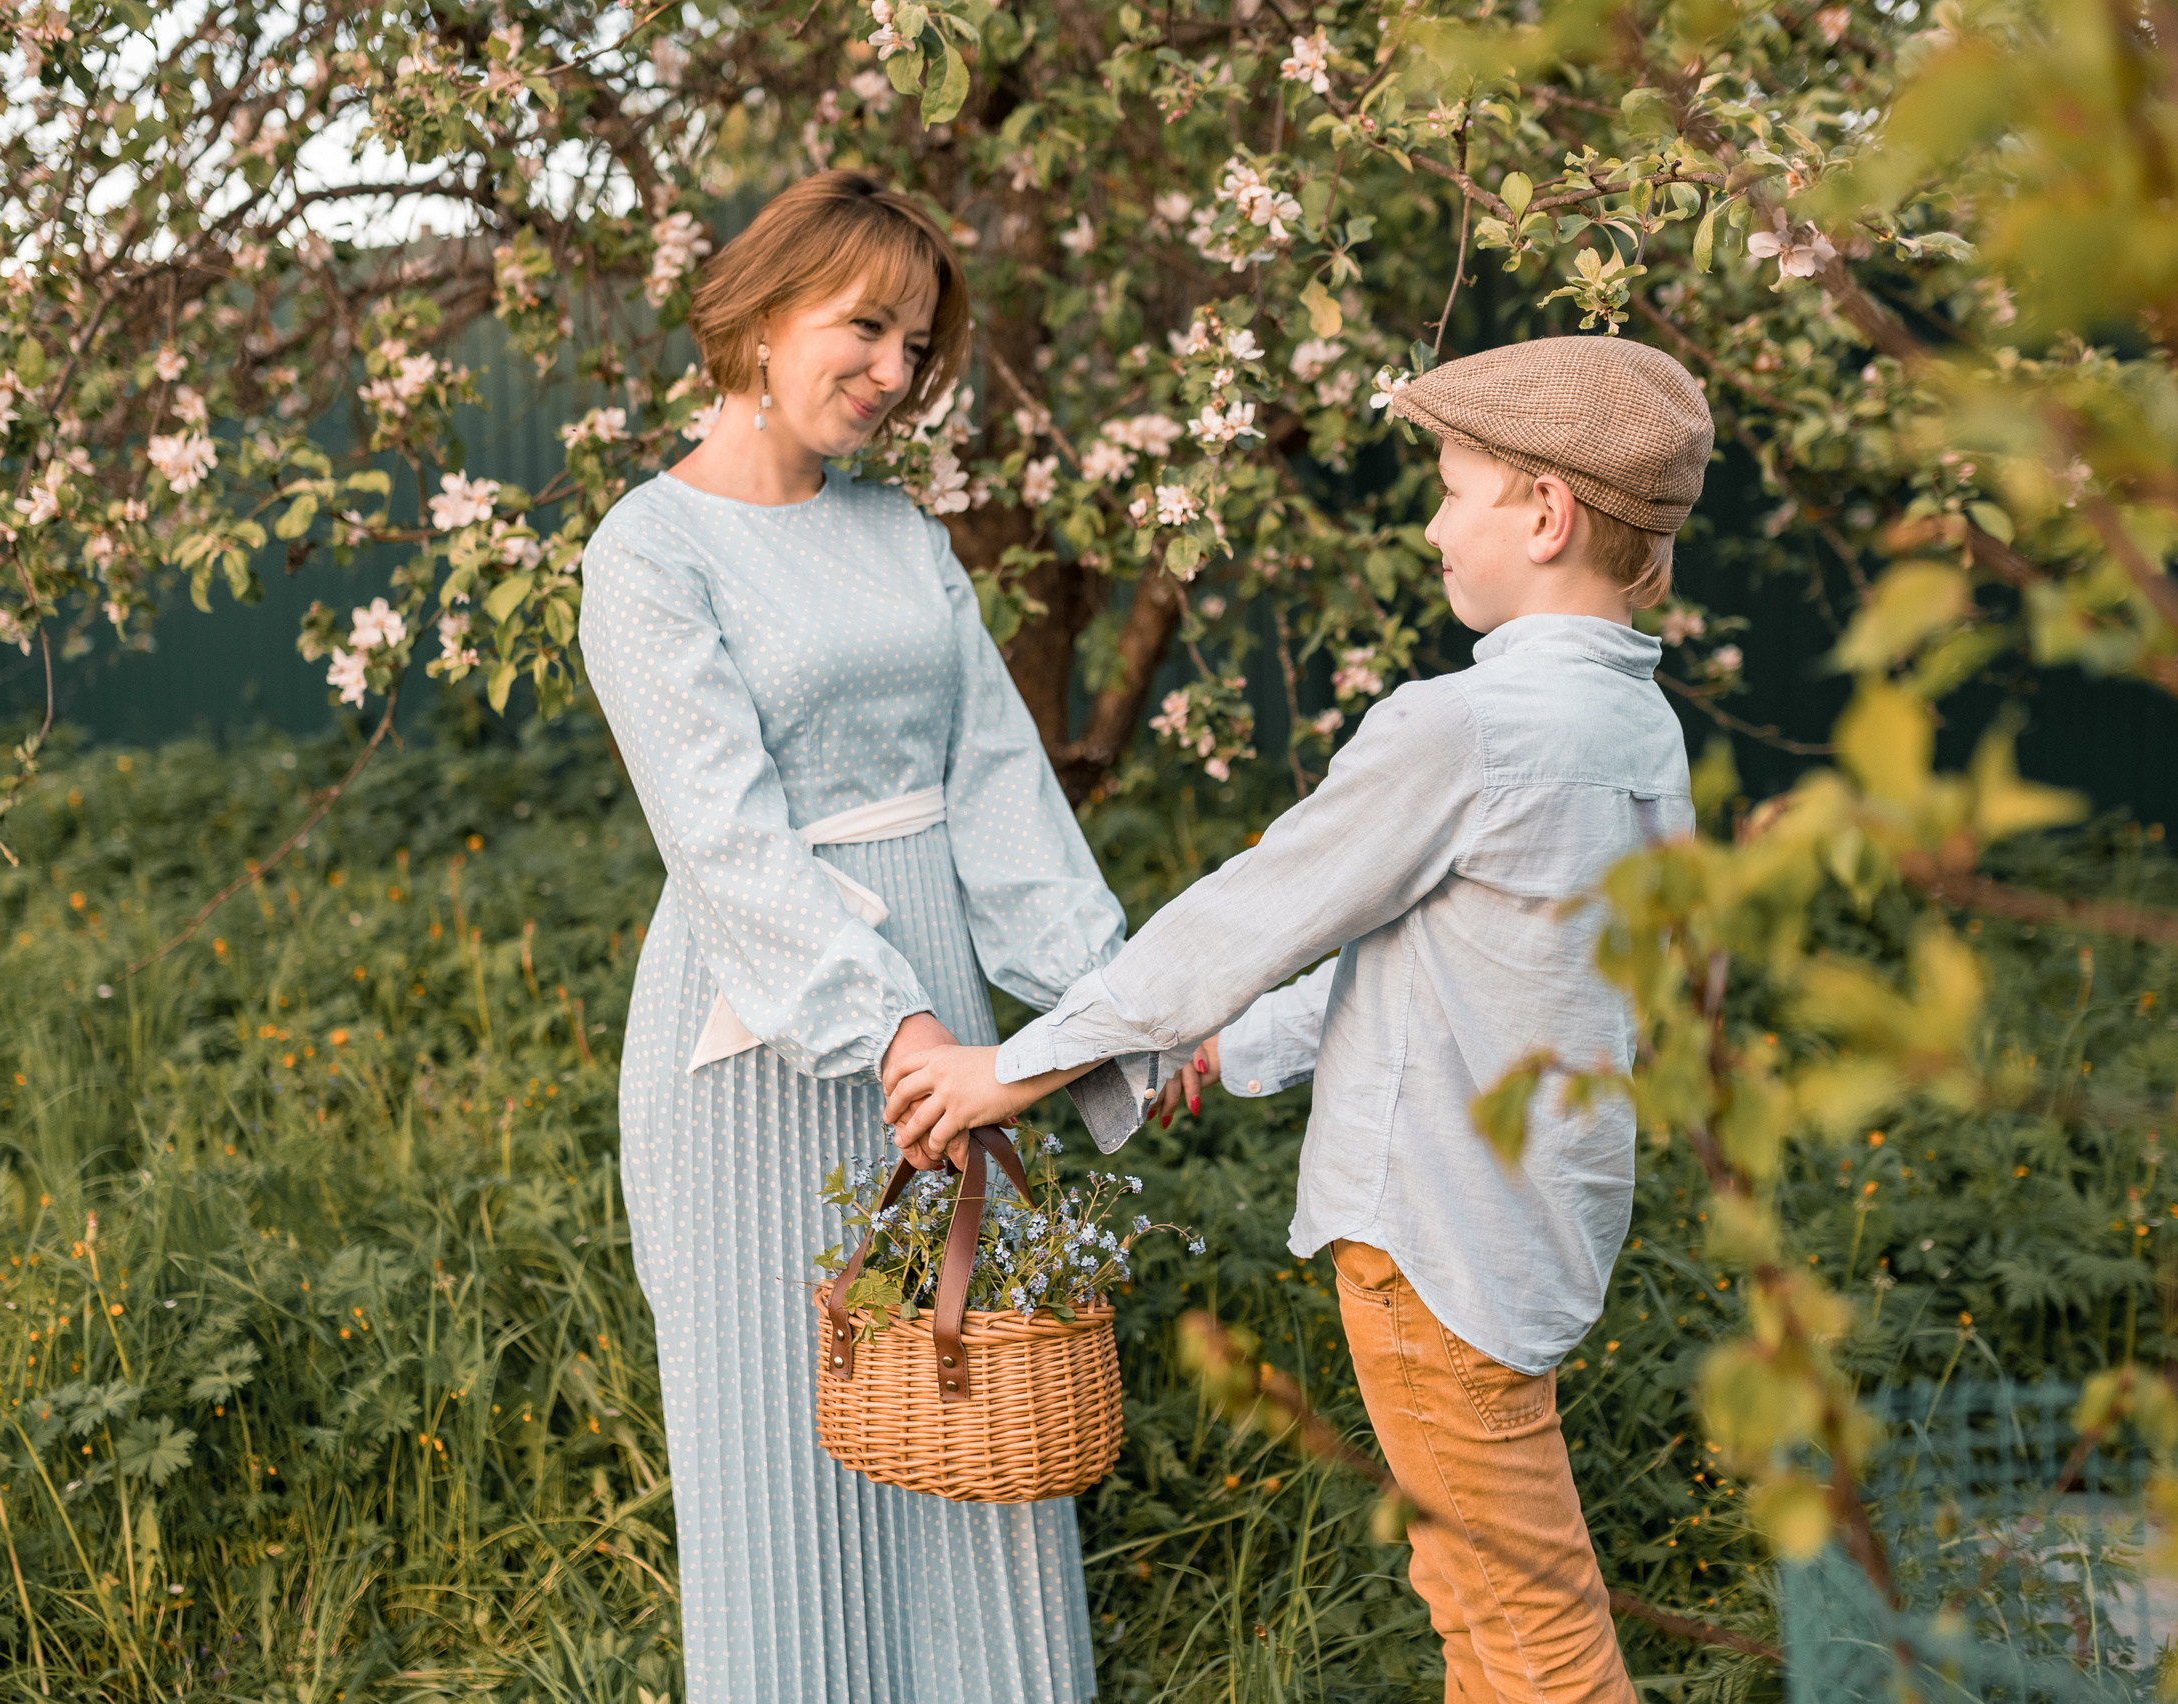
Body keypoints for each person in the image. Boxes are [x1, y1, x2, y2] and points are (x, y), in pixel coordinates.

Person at [882, 335, 1714, 1704]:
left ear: (1547, 514)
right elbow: (1443, 955)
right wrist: (1225, 1047)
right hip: (1533, 1236)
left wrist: (1016, 1071)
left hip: (1435, 1248)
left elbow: (1250, 916)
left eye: (1455, 490)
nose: (1435, 524)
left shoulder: (1471, 726)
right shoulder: (1631, 731)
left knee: (1534, 1652)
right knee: (1489, 1618)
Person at [575, 170, 1123, 1704]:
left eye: (917, 347)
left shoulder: (903, 535)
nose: (894, 374)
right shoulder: (646, 552)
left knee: (961, 1378)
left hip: (947, 1021)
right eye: (866, 327)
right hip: (764, 1033)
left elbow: (1000, 786)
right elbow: (724, 833)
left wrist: (1108, 1011)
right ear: (757, 313)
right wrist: (887, 1031)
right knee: (782, 1424)